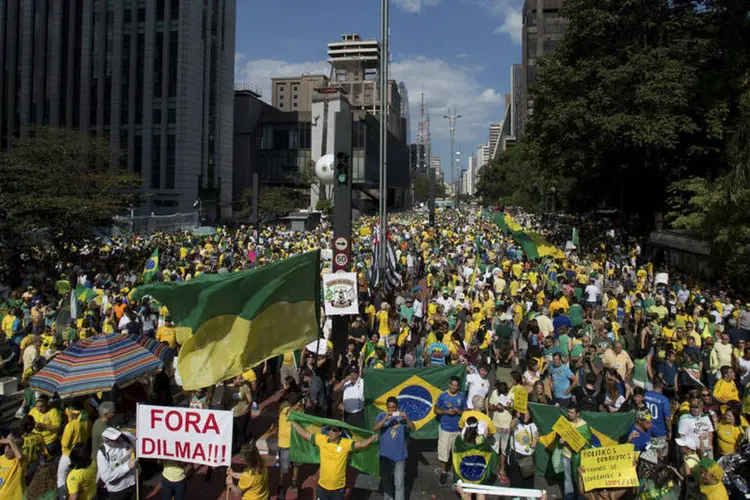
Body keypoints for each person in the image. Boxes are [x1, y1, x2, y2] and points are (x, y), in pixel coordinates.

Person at [290, 420, 377, 500]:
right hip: (322, 488)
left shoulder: (345, 443)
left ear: (339, 433)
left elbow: (360, 444)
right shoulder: (322, 439)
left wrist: (372, 439)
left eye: (334, 430)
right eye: (329, 429)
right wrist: (294, 423)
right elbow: (305, 435)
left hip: (338, 489)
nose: (330, 432)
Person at [373, 396, 416, 500]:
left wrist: (406, 418)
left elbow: (413, 428)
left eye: (393, 407)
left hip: (399, 456)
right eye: (389, 407)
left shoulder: (402, 417)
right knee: (386, 482)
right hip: (385, 455)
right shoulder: (381, 415)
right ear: (386, 407)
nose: (391, 410)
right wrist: (385, 419)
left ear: (397, 407)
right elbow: (375, 428)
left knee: (399, 483)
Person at [434, 375, 467, 485]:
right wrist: (445, 412)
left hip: (458, 429)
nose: (453, 387)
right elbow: (436, 410)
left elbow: (465, 411)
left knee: (456, 453)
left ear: (458, 387)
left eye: (456, 385)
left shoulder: (462, 397)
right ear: (449, 385)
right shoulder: (442, 396)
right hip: (445, 429)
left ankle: (457, 472)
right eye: (452, 385)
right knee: (444, 453)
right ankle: (444, 472)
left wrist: (459, 412)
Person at [57, 400, 92, 495]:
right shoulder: (87, 421)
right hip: (82, 454)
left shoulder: (70, 425)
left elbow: (64, 444)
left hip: (68, 455)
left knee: (61, 479)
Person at [96, 427, 137, 499]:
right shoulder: (102, 453)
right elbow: (107, 477)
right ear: (106, 440)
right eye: (115, 440)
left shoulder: (126, 437)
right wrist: (127, 467)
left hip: (133, 482)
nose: (119, 441)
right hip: (118, 490)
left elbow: (136, 443)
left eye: (119, 437)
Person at [277, 391, 303, 500]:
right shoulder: (285, 408)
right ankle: (281, 488)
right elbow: (289, 413)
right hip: (285, 443)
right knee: (284, 467)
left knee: (296, 464)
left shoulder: (299, 408)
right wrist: (297, 407)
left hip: (295, 441)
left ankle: (294, 483)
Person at [644, 378, 671, 458]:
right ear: (662, 385)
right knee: (662, 455)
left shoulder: (646, 395)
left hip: (647, 428)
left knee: (650, 453)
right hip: (660, 430)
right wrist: (670, 431)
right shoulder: (664, 400)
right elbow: (667, 418)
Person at [0, 434, 25, 500]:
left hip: (15, 497)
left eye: (10, 447)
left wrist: (10, 442)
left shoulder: (20, 460)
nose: (6, 450)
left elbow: (19, 456)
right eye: (6, 447)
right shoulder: (1, 459)